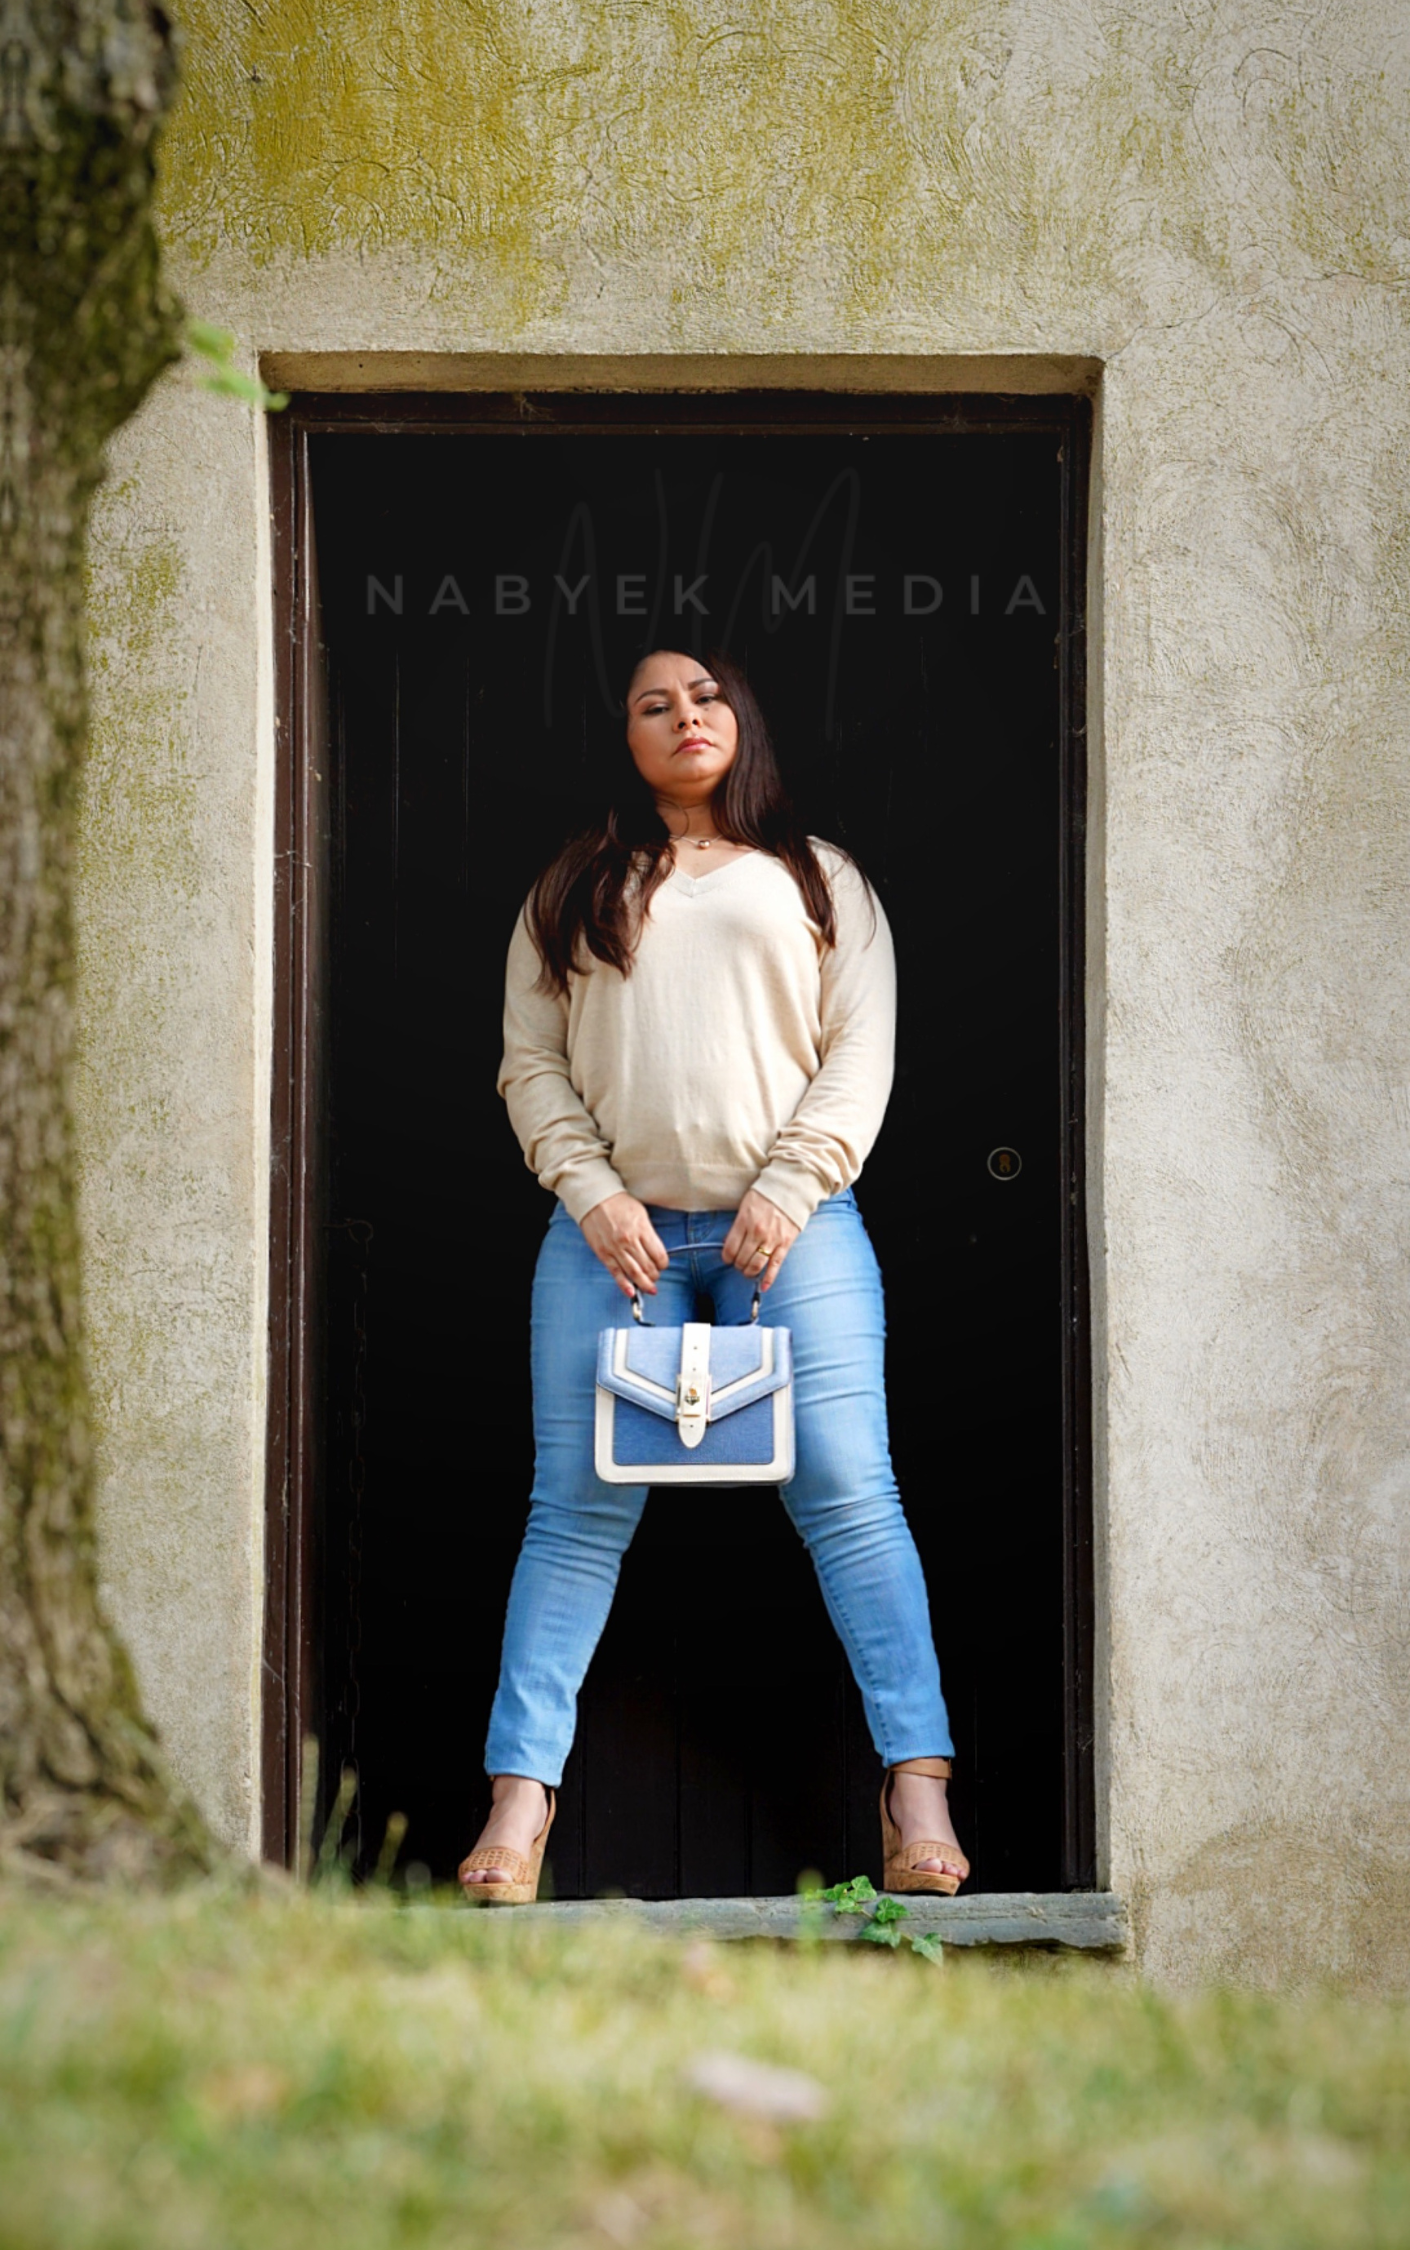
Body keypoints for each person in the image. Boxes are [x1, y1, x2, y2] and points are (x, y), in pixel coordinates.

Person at [458, 648, 967, 1903]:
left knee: (851, 1488)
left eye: (706, 697)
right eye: (653, 704)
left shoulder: (817, 876)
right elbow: (531, 1062)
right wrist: (593, 1192)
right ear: (621, 741)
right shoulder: (574, 884)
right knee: (573, 1509)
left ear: (742, 720)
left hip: (793, 1233)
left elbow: (862, 1049)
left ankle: (916, 1797)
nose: (686, 717)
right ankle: (518, 1811)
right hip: (611, 1241)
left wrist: (791, 1185)